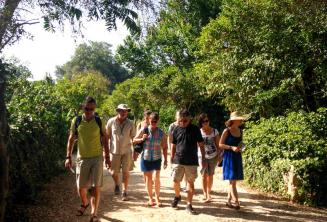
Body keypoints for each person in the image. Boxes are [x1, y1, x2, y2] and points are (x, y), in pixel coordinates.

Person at [65, 96, 110, 222]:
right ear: (83, 107)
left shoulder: (99, 121)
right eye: (87, 108)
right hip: (82, 158)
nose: (89, 111)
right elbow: (71, 139)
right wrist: (68, 157)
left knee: (96, 187)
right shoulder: (77, 120)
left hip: (97, 158)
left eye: (92, 109)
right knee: (81, 187)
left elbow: (105, 139)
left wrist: (107, 156)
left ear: (95, 108)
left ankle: (94, 213)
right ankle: (85, 203)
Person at [170, 109, 205, 215]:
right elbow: (173, 145)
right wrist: (171, 157)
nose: (183, 122)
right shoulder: (175, 129)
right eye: (180, 120)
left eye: (185, 120)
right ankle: (177, 196)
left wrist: (203, 157)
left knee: (190, 183)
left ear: (189, 119)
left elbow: (201, 144)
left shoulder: (195, 129)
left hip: (192, 161)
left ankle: (189, 204)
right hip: (178, 160)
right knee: (175, 181)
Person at [133, 112, 168, 207]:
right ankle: (150, 198)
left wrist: (165, 159)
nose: (153, 123)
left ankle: (158, 198)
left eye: (155, 122)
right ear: (148, 120)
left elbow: (165, 147)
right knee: (148, 179)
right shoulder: (144, 130)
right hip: (146, 157)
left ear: (158, 121)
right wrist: (142, 139)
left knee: (156, 178)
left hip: (157, 158)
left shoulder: (161, 132)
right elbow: (134, 140)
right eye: (152, 121)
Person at [219, 111, 248, 210]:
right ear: (234, 120)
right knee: (233, 181)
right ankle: (236, 202)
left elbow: (240, 144)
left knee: (233, 181)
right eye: (239, 119)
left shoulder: (241, 131)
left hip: (237, 157)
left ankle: (228, 201)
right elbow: (220, 144)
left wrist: (241, 148)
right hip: (229, 157)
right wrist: (231, 147)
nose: (241, 121)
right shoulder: (226, 131)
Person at [106, 104, 136, 201]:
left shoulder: (131, 123)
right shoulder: (111, 122)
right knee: (113, 172)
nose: (124, 113)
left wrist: (135, 152)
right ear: (118, 111)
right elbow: (107, 137)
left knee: (126, 172)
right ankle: (117, 184)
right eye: (122, 111)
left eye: (126, 111)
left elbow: (133, 138)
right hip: (114, 152)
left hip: (127, 151)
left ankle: (124, 191)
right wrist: (105, 152)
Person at [198, 113, 222, 202]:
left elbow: (218, 145)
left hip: (213, 156)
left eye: (207, 121)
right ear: (201, 123)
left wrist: (219, 157)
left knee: (210, 175)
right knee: (204, 175)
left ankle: (209, 193)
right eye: (203, 122)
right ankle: (204, 193)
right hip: (202, 156)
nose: (206, 123)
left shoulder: (215, 131)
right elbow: (196, 145)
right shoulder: (199, 132)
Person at [167, 111, 187, 192]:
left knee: (186, 167)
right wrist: (169, 149)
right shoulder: (172, 125)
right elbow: (170, 137)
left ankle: (186, 185)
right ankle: (178, 185)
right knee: (176, 168)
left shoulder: (186, 124)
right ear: (176, 117)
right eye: (178, 116)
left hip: (184, 149)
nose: (180, 117)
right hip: (175, 149)